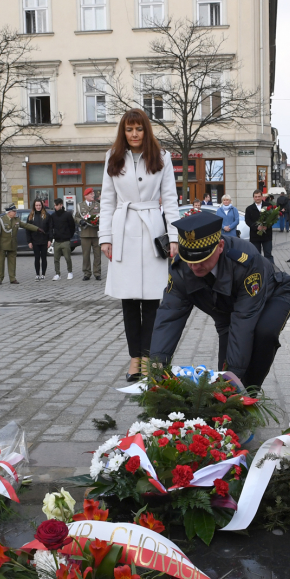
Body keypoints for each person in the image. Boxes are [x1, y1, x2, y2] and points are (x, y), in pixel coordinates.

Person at [150, 212, 290, 389]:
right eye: (190, 259)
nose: (194, 266)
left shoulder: (246, 260)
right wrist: (157, 369)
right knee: (226, 370)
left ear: (220, 246)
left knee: (263, 334)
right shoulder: (181, 269)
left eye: (201, 259)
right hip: (226, 311)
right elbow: (169, 316)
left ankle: (251, 392)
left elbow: (243, 319)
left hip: (274, 294)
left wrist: (233, 381)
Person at [98, 108, 179, 382]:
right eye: (129, 129)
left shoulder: (162, 157)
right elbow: (106, 200)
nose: (134, 134)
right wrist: (105, 237)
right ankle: (135, 359)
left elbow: (170, 199)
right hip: (123, 230)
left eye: (139, 129)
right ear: (123, 131)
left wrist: (175, 236)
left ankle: (149, 358)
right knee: (130, 301)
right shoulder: (113, 157)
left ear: (146, 130)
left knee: (155, 300)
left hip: (153, 230)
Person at [0, 205, 40, 284]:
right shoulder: (1, 220)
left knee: (12, 262)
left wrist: (37, 228)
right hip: (2, 244)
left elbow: (25, 225)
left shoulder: (16, 219)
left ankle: (12, 278)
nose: (15, 213)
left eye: (15, 211)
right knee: (1, 262)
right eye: (14, 211)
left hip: (13, 244)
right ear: (9, 212)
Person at [77, 187, 102, 281]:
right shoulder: (80, 205)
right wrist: (80, 221)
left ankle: (97, 273)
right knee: (86, 255)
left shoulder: (98, 205)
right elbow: (76, 217)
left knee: (97, 255)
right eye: (91, 194)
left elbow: (102, 215)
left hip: (96, 233)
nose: (93, 195)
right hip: (85, 233)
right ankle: (87, 273)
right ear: (86, 195)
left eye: (93, 194)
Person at [244, 189, 274, 263]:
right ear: (253, 197)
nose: (257, 198)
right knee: (256, 255)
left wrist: (267, 226)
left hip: (267, 235)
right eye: (256, 197)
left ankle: (272, 271)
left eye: (259, 196)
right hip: (255, 236)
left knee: (268, 254)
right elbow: (247, 220)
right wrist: (256, 227)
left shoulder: (268, 206)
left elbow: (273, 218)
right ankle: (258, 271)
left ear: (262, 197)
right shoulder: (249, 208)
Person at [26, 199, 52, 281]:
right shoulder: (30, 216)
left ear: (42, 206)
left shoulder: (47, 215)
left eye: (39, 205)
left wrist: (50, 240)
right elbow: (27, 230)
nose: (38, 207)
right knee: (37, 257)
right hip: (35, 240)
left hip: (44, 240)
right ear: (34, 206)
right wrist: (29, 241)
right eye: (36, 205)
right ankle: (37, 274)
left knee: (44, 258)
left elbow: (50, 229)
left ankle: (43, 274)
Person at [50, 197, 76, 280]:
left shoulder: (67, 215)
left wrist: (69, 236)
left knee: (67, 257)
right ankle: (57, 274)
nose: (55, 207)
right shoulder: (53, 216)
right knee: (56, 259)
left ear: (61, 205)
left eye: (57, 205)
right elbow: (51, 227)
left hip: (65, 240)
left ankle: (70, 272)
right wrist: (52, 237)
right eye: (54, 205)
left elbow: (72, 226)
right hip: (57, 240)